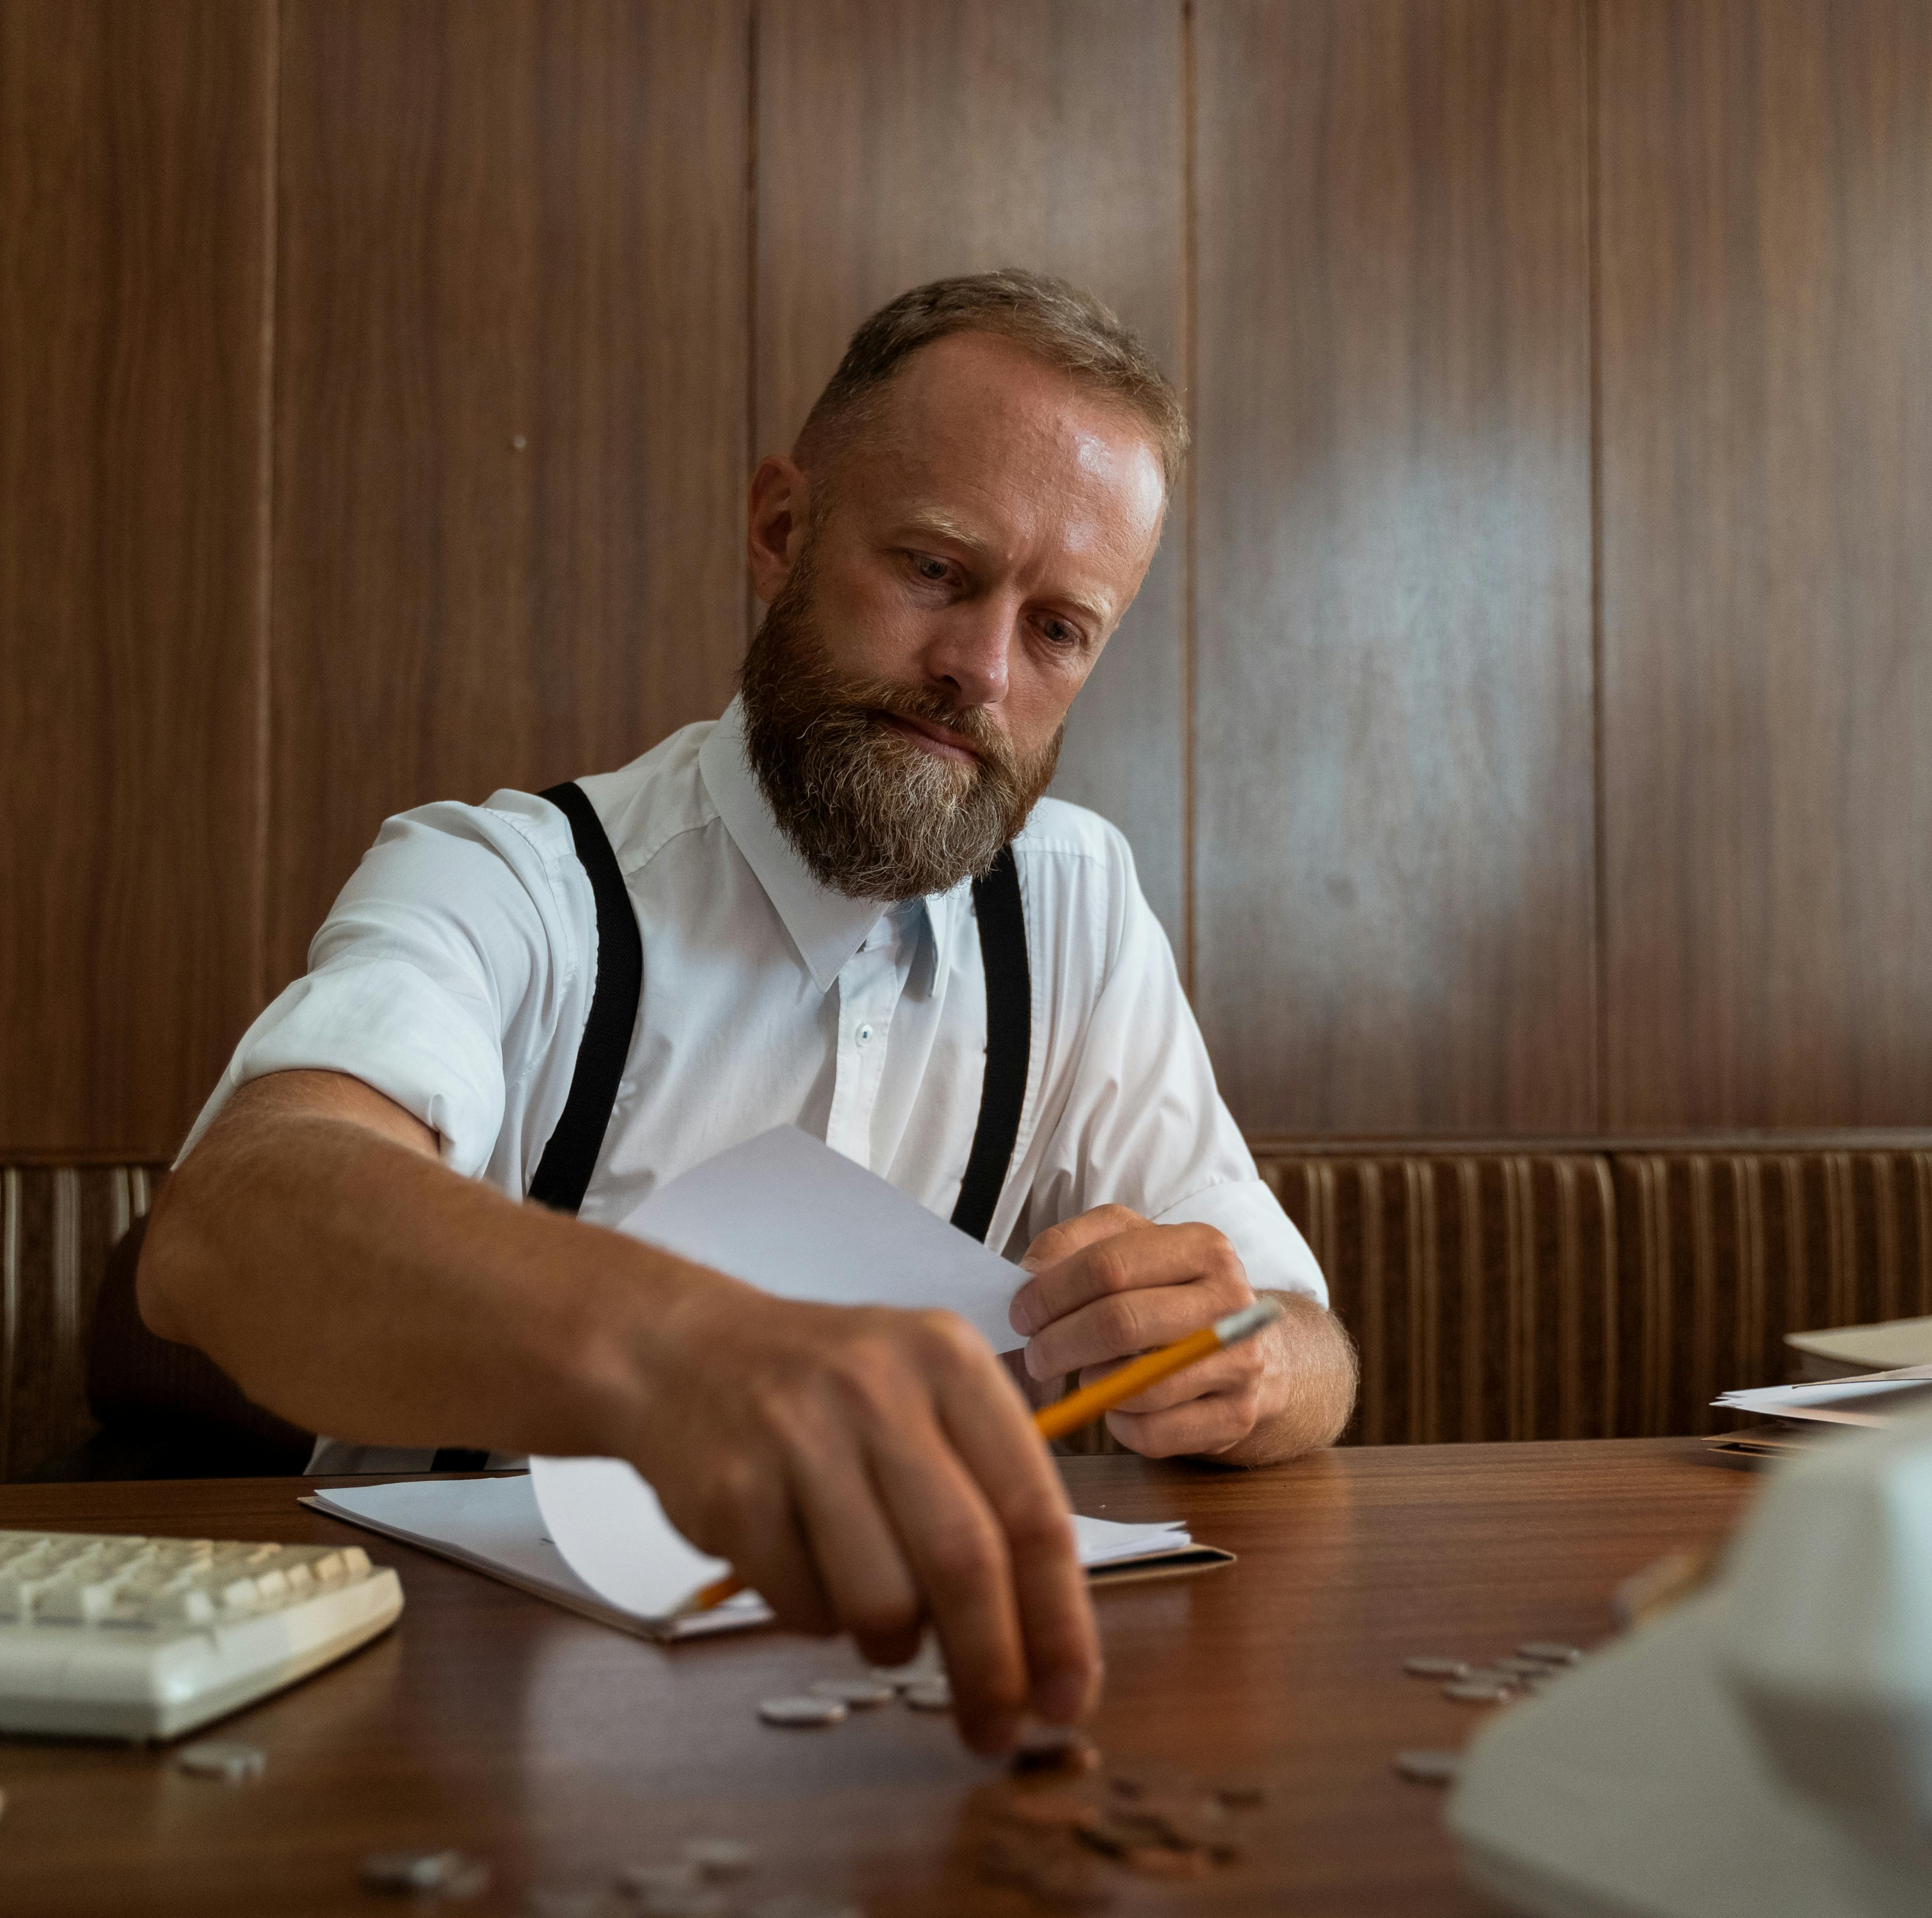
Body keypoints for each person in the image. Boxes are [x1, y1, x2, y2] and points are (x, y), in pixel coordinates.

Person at [140, 270, 1358, 1756]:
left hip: (901, 1740)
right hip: (441, 1740)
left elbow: (1308, 1343)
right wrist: (684, 1356)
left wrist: (1239, 1362)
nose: (980, 669)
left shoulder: (1076, 900)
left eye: (1059, 631)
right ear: (781, 528)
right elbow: (234, 1226)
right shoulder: (513, 880)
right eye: (932, 569)